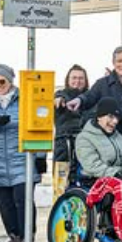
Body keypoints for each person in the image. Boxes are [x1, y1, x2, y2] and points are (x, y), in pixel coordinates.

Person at [66, 46, 122, 232]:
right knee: (117, 201)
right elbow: (89, 96)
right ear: (113, 63)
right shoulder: (103, 84)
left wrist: (115, 113)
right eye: (119, 61)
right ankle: (119, 239)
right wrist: (80, 101)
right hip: (111, 153)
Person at [0, 65, 40, 242]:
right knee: (4, 203)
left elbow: (38, 127)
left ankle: (28, 237)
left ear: (10, 81)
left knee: (23, 200)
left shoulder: (25, 99)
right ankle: (14, 236)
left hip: (21, 159)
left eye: (2, 81)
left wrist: (41, 156)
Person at [53, 65, 90, 197]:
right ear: (68, 80)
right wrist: (59, 99)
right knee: (60, 190)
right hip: (64, 150)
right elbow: (59, 97)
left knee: (85, 188)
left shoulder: (90, 98)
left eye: (81, 78)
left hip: (86, 150)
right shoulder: (61, 95)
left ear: (86, 81)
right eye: (74, 78)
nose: (77, 81)